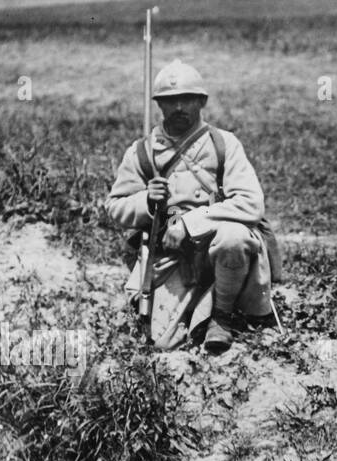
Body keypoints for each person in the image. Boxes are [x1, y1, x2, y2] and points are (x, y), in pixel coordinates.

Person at [106, 59, 281, 353]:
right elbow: (115, 208)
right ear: (159, 105)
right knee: (162, 344)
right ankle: (193, 311)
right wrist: (147, 201)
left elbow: (251, 203)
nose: (178, 108)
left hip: (219, 246)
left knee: (234, 237)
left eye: (186, 99)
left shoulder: (224, 144)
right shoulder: (141, 152)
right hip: (173, 259)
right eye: (170, 101)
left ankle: (222, 319)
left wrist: (191, 223)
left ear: (201, 101)